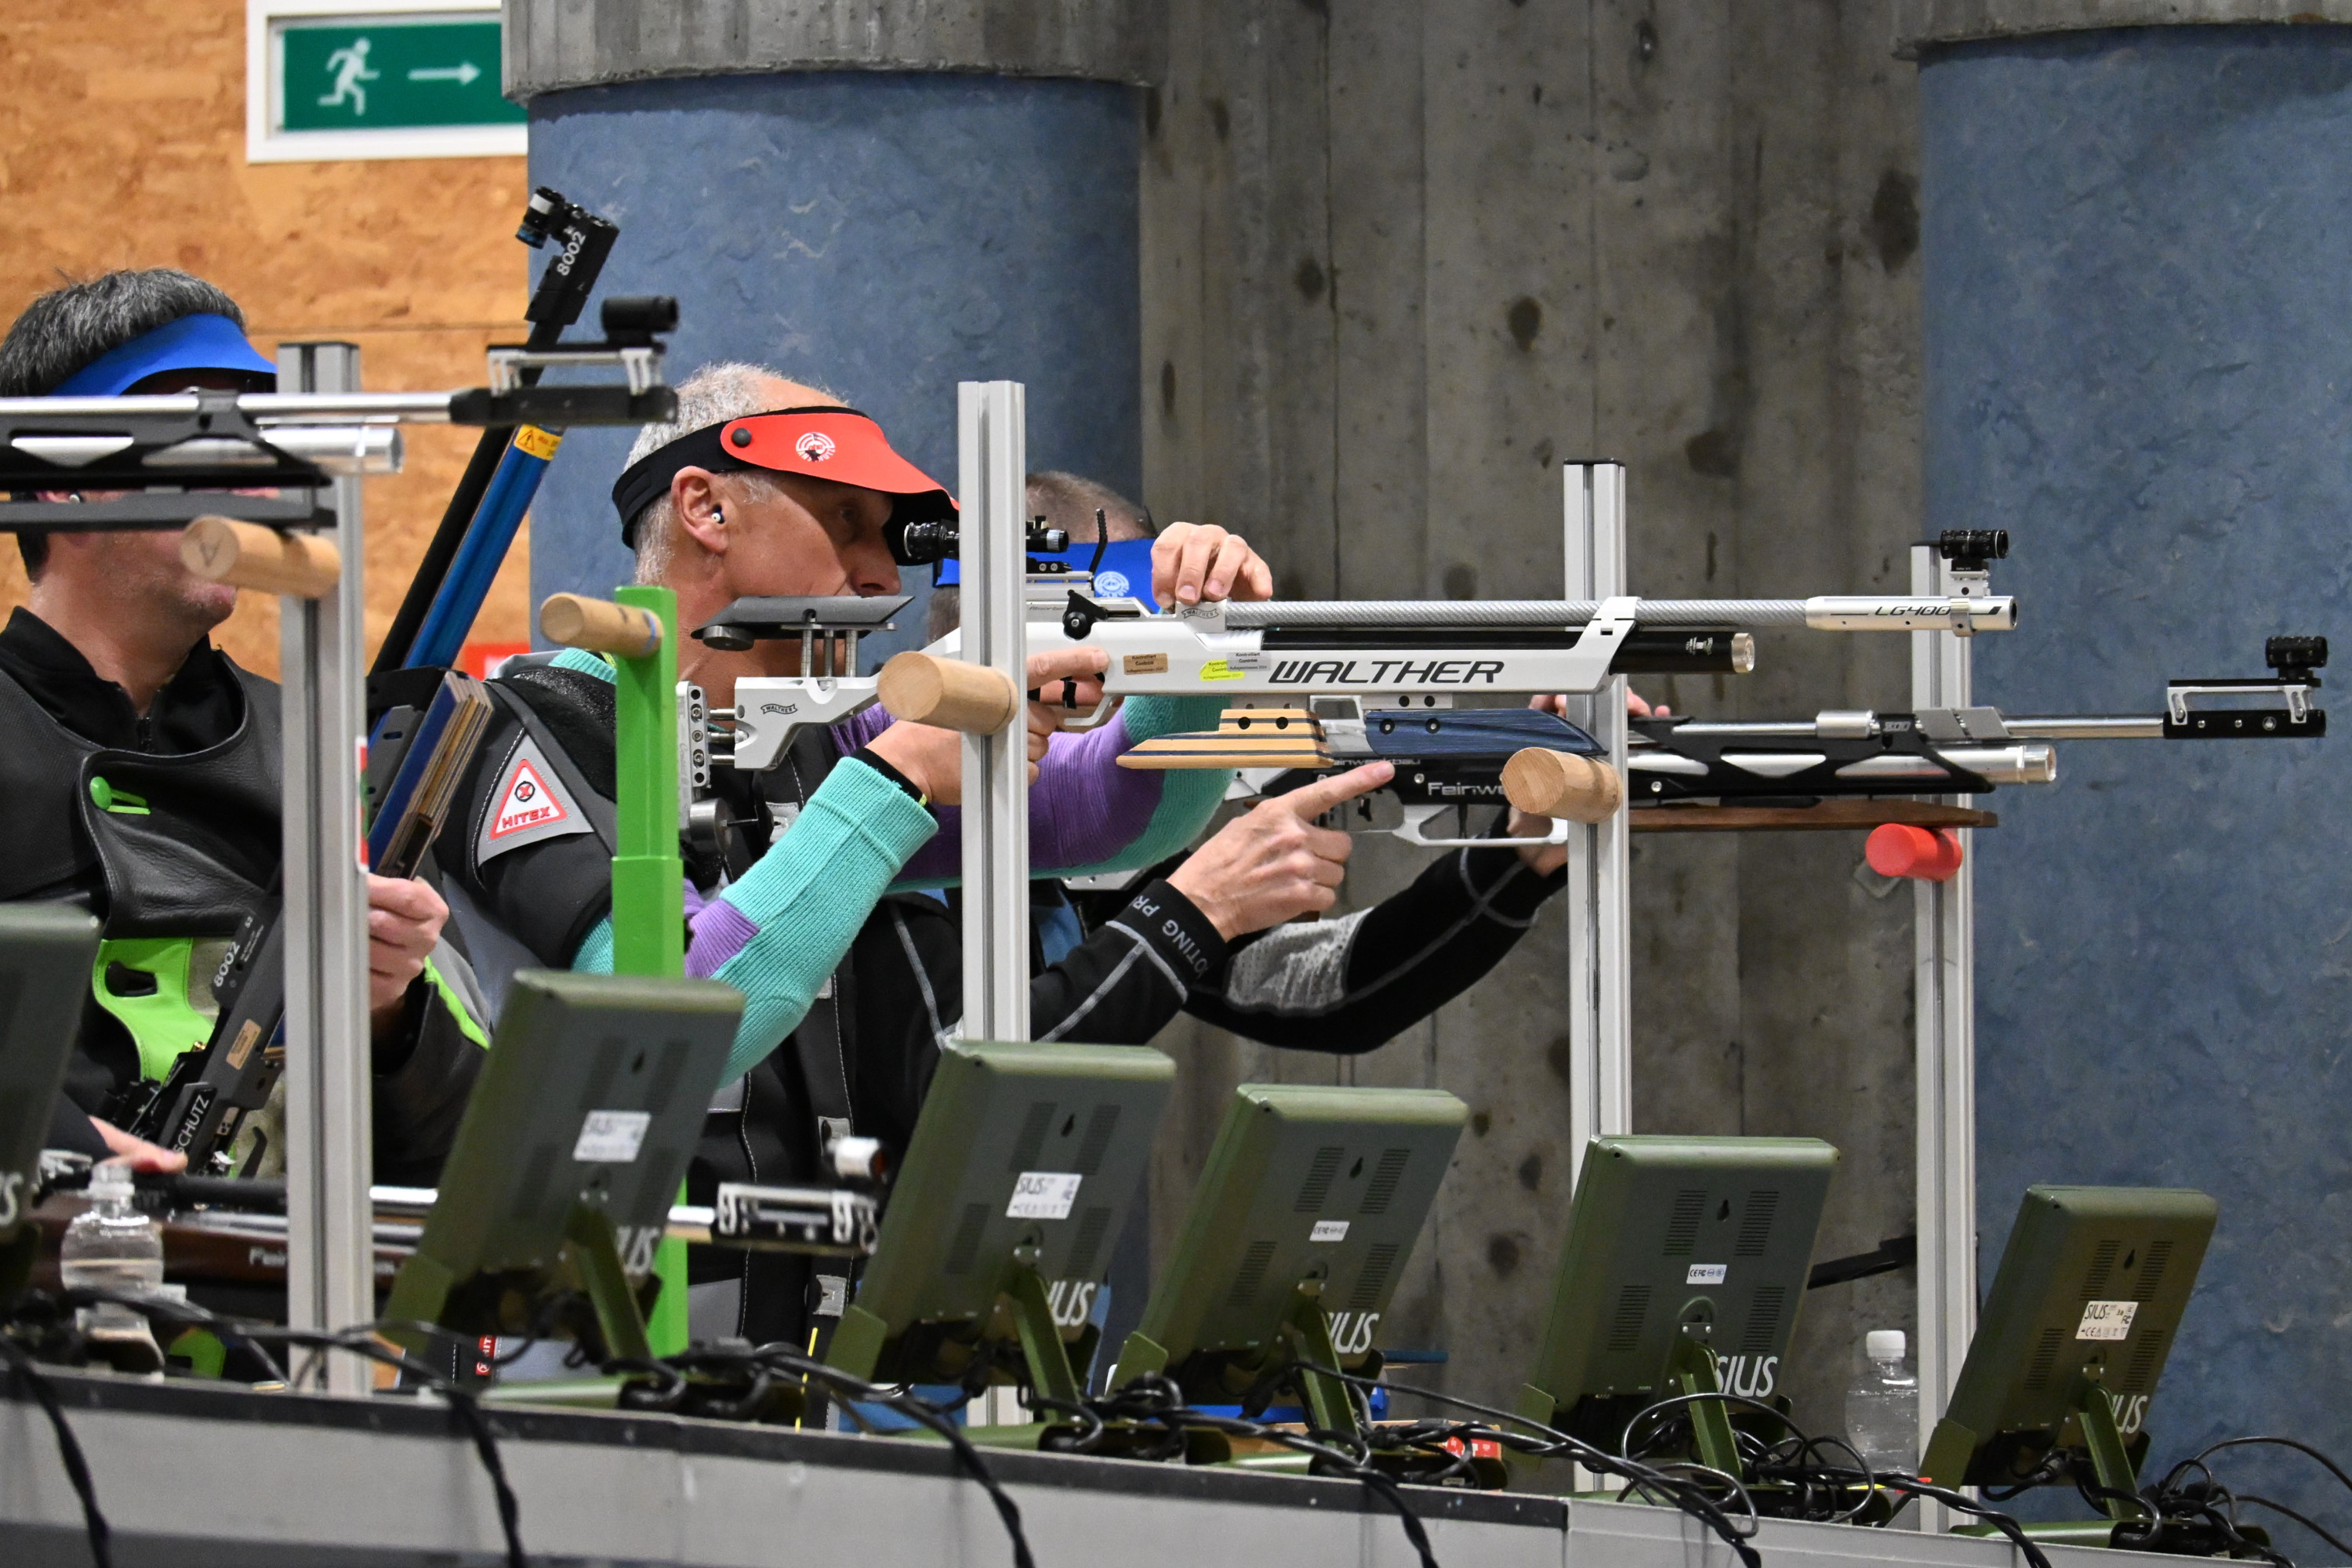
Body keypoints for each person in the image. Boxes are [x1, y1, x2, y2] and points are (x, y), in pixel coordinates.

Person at [423, 364, 1320, 1348]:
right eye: (845, 521)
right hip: (565, 1360)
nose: (883, 577)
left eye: (887, 540)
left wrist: (1194, 642)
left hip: (783, 1369)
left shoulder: (809, 734)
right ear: (706, 506)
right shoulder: (526, 728)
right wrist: (895, 778)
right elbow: (678, 1020)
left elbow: (1123, 810)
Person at [0, 269, 486, 1181]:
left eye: (256, 434)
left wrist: (393, 1013)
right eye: (194, 430)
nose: (244, 476)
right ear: (58, 482)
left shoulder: (320, 746)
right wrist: (56, 1143)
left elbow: (474, 1150)